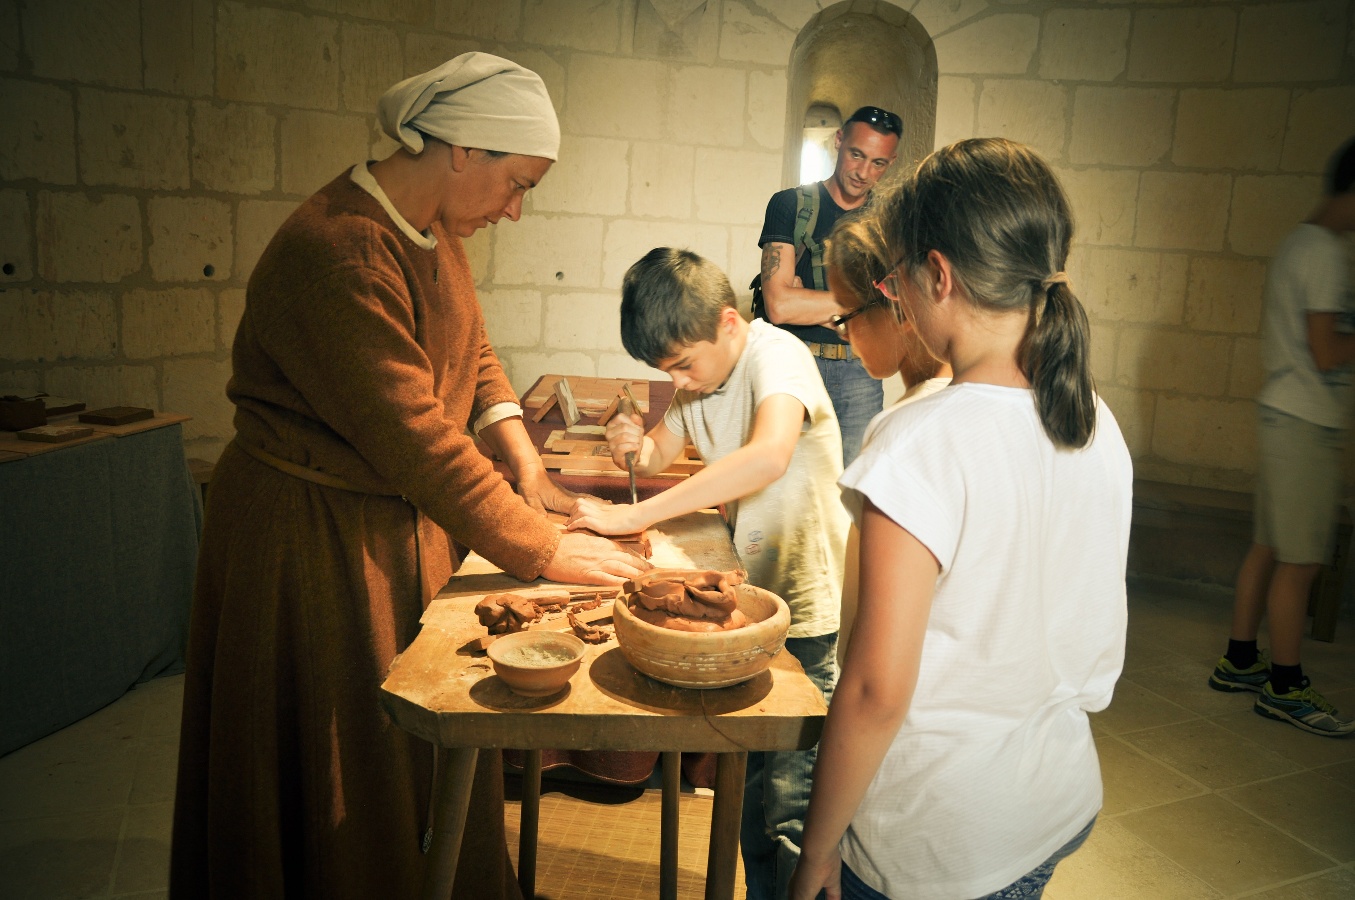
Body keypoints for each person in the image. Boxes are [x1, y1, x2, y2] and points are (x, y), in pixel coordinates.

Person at [169, 53, 649, 900]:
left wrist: (523, 459)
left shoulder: (430, 231)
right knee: (339, 753)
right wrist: (543, 547)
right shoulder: (340, 250)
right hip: (312, 541)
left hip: (383, 523)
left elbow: (475, 351)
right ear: (463, 150)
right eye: (516, 183)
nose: (516, 207)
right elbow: (417, 437)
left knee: (403, 758)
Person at [790, 138, 1133, 900]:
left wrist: (816, 849)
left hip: (936, 831)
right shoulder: (1092, 417)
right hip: (1050, 797)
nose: (896, 297)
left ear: (936, 274)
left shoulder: (919, 442)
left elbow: (876, 688)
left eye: (897, 277)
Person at [567, 248, 849, 900]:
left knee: (789, 807)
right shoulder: (700, 380)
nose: (681, 382)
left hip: (806, 610)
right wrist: (629, 442)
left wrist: (631, 514)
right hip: (753, 602)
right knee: (753, 794)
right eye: (666, 371)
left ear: (728, 322)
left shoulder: (772, 355)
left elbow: (768, 456)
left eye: (683, 364)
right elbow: (659, 447)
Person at [1208, 136, 1355, 738]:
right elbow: (1325, 352)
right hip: (1305, 421)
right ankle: (1285, 688)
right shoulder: (1324, 252)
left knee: (1269, 547)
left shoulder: (1304, 241)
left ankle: (1241, 661)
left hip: (1285, 415)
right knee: (1301, 563)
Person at [822, 207, 953, 665]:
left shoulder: (907, 431)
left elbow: (872, 657)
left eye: (846, 314)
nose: (843, 333)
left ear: (895, 302)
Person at [756, 106, 902, 466]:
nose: (864, 172)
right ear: (839, 141)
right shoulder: (790, 204)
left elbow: (897, 312)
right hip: (795, 362)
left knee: (850, 494)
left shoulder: (891, 221)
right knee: (783, 483)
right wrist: (863, 302)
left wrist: (808, 299)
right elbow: (780, 306)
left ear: (891, 162)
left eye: (879, 163)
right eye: (857, 155)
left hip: (860, 374)